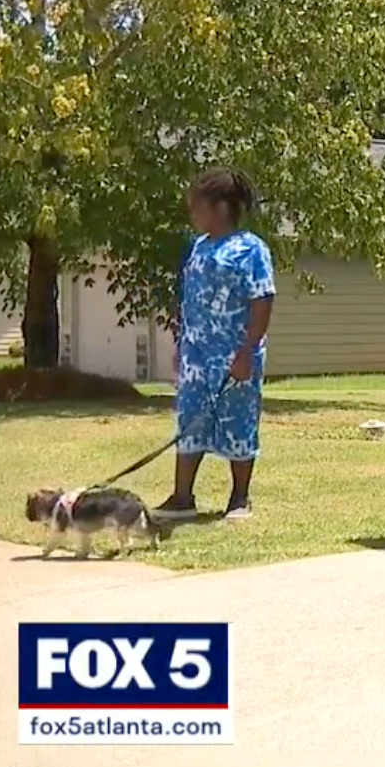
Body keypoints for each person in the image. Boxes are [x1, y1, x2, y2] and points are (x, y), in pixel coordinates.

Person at [156, 168, 277, 523]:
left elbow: (263, 300)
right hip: (196, 354)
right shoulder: (198, 247)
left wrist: (247, 352)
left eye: (198, 207)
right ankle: (182, 498)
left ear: (221, 208)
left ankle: (239, 499)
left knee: (238, 421)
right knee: (190, 420)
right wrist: (182, 342)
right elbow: (190, 300)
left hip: (234, 355)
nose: (193, 214)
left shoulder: (250, 249)